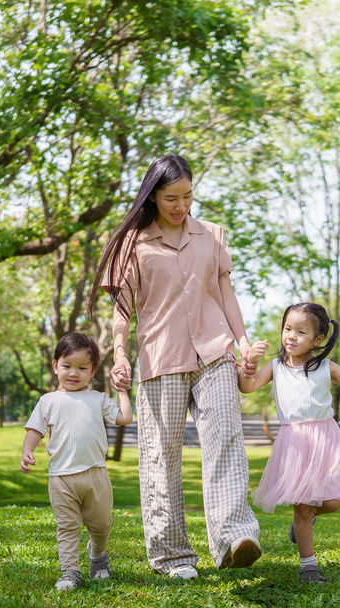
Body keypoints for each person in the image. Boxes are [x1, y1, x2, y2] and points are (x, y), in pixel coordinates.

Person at [88, 154, 262, 580]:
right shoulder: (132, 243)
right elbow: (123, 309)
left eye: (188, 195)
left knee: (225, 435)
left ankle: (233, 536)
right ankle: (172, 556)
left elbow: (225, 293)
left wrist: (241, 344)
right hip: (161, 356)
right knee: (160, 456)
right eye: (171, 197)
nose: (181, 205)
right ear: (152, 196)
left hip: (214, 349)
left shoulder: (211, 235)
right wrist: (121, 353)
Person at [240, 303, 340, 583]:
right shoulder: (275, 367)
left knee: (332, 502)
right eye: (288, 329)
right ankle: (308, 565)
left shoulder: (327, 367)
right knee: (303, 506)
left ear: (318, 340)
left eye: (301, 331)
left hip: (325, 439)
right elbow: (247, 386)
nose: (291, 336)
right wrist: (249, 362)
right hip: (294, 441)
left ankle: (306, 519)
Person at [20, 333, 133, 592]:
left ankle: (98, 556)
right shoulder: (48, 401)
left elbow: (125, 417)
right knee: (68, 527)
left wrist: (122, 391)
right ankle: (70, 571)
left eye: (82, 368)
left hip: (96, 474)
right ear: (55, 365)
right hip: (61, 478)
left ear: (92, 371)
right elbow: (35, 429)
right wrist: (27, 450)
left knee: (101, 524)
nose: (74, 373)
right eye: (67, 366)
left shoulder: (97, 399)